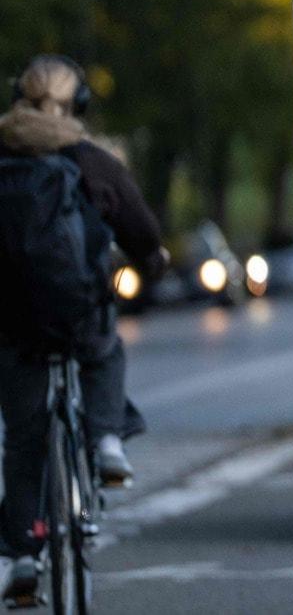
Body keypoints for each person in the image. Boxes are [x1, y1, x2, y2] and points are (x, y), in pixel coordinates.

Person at [0, 55, 166, 603]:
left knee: (24, 442)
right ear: (80, 106)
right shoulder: (91, 162)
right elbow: (141, 232)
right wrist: (150, 265)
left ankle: (24, 557)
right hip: (77, 310)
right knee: (105, 350)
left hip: (13, 323)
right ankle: (107, 441)